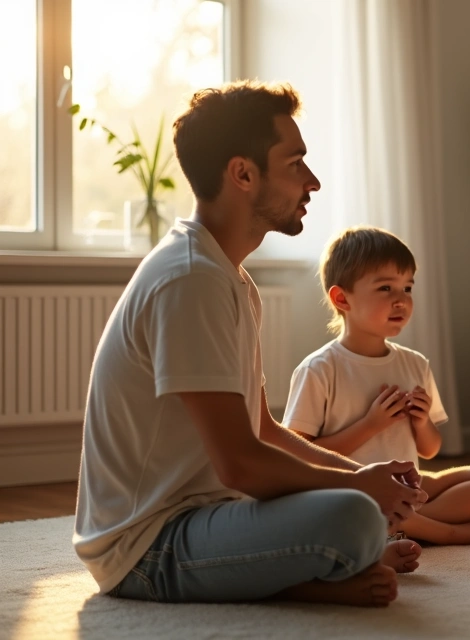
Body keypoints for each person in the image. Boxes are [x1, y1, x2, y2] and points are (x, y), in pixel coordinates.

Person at [73, 81, 427, 608]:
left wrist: (362, 473)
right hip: (146, 548)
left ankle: (314, 568)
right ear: (243, 173)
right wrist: (358, 491)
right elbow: (241, 464)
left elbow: (261, 428)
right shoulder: (190, 278)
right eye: (296, 163)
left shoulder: (230, 277)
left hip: (207, 512)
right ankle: (308, 578)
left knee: (361, 506)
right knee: (353, 517)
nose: (314, 182)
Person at [282, 226, 470, 546]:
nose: (401, 300)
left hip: (409, 487)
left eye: (407, 288)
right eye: (385, 288)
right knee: (337, 508)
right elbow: (300, 458)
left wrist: (420, 422)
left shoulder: (414, 363)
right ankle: (446, 533)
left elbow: (430, 449)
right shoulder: (321, 369)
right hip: (354, 491)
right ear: (342, 298)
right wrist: (369, 425)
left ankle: (404, 526)